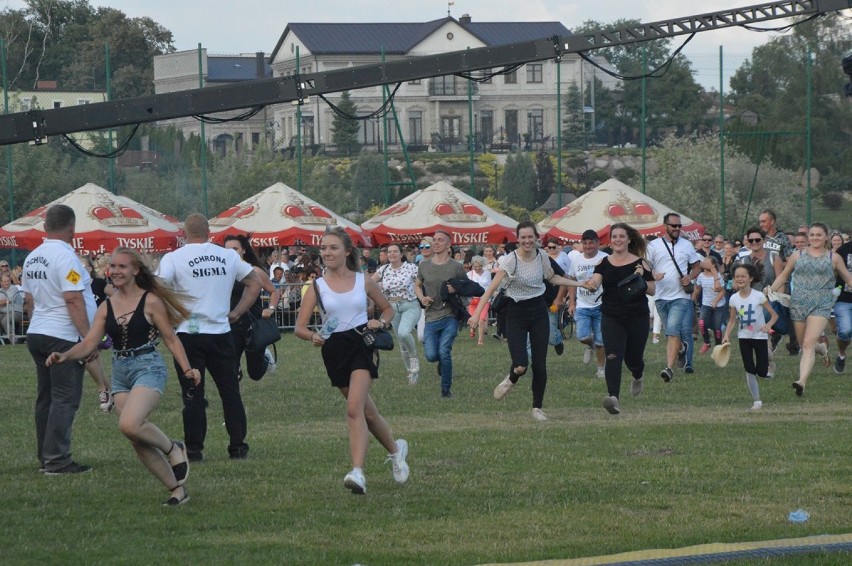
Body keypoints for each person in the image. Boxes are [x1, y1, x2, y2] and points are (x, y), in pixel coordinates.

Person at [46, 247, 202, 505]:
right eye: (113, 266)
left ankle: (174, 448)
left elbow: (171, 339)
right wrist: (65, 355)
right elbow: (89, 344)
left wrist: (187, 370)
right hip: (120, 373)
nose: (115, 271)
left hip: (148, 367)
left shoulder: (150, 301)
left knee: (129, 424)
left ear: (136, 270)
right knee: (135, 438)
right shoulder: (106, 307)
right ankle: (177, 490)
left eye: (122, 266)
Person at [295, 226, 409, 495]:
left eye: (332, 247)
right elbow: (299, 327)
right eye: (323, 248)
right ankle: (396, 450)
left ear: (347, 251)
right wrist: (312, 337)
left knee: (353, 409)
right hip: (334, 349)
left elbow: (389, 309)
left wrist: (380, 322)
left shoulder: (363, 280)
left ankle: (357, 472)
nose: (326, 252)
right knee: (367, 412)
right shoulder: (317, 286)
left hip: (362, 343)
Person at [157, 213, 261, 461]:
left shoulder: (173, 258)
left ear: (183, 233)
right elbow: (255, 283)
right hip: (221, 332)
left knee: (193, 393)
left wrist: (171, 313)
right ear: (209, 232)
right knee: (230, 392)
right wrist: (236, 312)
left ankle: (194, 450)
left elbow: (156, 287)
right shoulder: (227, 255)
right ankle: (238, 447)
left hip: (188, 334)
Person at [469, 221, 587, 421]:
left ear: (536, 238)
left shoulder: (542, 256)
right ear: (518, 239)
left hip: (538, 311)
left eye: (530, 237)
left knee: (540, 364)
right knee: (521, 364)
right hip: (515, 312)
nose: (527, 240)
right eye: (522, 237)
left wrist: (579, 283)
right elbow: (490, 289)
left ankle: (537, 408)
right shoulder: (510, 260)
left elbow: (553, 278)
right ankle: (513, 377)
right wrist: (476, 314)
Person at [21, 204, 95, 474]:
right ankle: (57, 459)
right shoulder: (67, 258)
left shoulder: (33, 258)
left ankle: (45, 456)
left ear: (45, 226)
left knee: (46, 398)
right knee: (65, 398)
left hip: (38, 331)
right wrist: (88, 339)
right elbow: (73, 299)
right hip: (62, 335)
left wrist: (37, 323)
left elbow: (29, 300)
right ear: (72, 228)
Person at [769, 222, 852, 396]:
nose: (815, 238)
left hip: (822, 303)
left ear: (826, 237)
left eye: (819, 235)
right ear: (808, 237)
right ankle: (822, 349)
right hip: (798, 303)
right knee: (804, 343)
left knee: (807, 344)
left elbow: (848, 278)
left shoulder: (833, 258)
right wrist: (770, 291)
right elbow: (784, 275)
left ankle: (801, 382)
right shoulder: (797, 255)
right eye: (812, 234)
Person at [584, 223, 655, 414]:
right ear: (610, 240)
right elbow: (596, 279)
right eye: (614, 236)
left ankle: (638, 374)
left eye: (621, 236)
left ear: (629, 239)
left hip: (637, 316)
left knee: (633, 358)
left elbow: (652, 289)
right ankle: (613, 398)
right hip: (611, 315)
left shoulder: (640, 263)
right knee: (613, 355)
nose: (617, 240)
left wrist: (639, 279)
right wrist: (591, 284)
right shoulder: (603, 262)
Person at [646, 212, 703, 381]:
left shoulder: (686, 245)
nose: (678, 229)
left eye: (679, 226)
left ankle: (668, 369)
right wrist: (653, 273)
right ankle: (681, 350)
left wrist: (690, 277)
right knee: (670, 331)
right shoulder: (653, 246)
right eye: (674, 226)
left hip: (681, 296)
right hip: (661, 296)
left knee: (672, 329)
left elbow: (697, 267)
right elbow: (646, 266)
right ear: (665, 227)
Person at [415, 230, 467, 398]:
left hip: (450, 315)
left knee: (444, 351)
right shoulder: (423, 265)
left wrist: (456, 289)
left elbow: (467, 288)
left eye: (439, 240)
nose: (435, 243)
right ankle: (440, 363)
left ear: (448, 245)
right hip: (431, 316)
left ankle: (446, 390)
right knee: (431, 355)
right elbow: (417, 285)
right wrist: (422, 297)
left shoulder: (456, 267)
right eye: (434, 240)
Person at [223, 234, 281, 381]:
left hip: (252, 324)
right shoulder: (221, 271)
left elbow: (274, 291)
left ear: (243, 250)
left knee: (255, 373)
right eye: (227, 249)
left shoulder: (254, 271)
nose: (231, 253)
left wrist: (271, 308)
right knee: (230, 369)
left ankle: (265, 358)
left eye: (235, 249)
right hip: (231, 323)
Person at [722, 263, 778, 411]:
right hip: (744, 337)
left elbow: (774, 315)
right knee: (749, 369)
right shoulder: (733, 299)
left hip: (759, 336)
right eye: (737, 276)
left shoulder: (759, 296)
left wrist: (768, 325)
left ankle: (770, 359)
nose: (739, 279)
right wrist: (726, 335)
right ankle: (757, 401)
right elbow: (733, 320)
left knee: (761, 371)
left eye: (743, 276)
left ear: (750, 278)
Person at [372, 243, 422, 384]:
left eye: (395, 252)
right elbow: (369, 283)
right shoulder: (383, 269)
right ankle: (411, 373)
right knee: (401, 343)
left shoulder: (411, 268)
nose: (392, 254)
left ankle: (414, 359)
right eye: (389, 252)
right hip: (392, 307)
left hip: (410, 305)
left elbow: (421, 282)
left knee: (403, 333)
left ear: (401, 254)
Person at [567, 229, 608, 376]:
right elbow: (571, 281)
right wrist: (572, 303)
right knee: (582, 336)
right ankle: (589, 346)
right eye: (585, 243)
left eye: (591, 243)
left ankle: (601, 370)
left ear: (598, 243)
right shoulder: (576, 260)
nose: (588, 246)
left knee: (601, 341)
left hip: (601, 304)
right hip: (583, 304)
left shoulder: (605, 258)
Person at [80, 254, 113, 413]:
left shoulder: (98, 283)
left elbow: (115, 294)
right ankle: (111, 392)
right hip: (81, 324)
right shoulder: (76, 280)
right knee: (95, 361)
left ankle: (104, 391)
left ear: (89, 268)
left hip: (96, 325)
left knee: (88, 357)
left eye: (83, 264)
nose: (79, 267)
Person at [694, 256, 727, 354]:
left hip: (719, 306)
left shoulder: (718, 277)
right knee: (702, 323)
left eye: (706, 262)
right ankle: (707, 342)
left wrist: (716, 301)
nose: (703, 263)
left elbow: (722, 291)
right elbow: (698, 288)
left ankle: (718, 347)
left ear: (713, 265)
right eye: (703, 261)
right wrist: (693, 298)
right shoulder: (701, 276)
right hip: (706, 304)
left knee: (717, 328)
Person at [465, 256, 492, 346]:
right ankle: (472, 329)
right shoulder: (469, 275)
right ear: (472, 265)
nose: (477, 268)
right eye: (475, 266)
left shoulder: (487, 274)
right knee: (474, 320)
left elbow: (490, 286)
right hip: (473, 300)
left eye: (479, 266)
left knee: (481, 320)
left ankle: (480, 340)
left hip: (485, 300)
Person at [0, 273, 23, 343]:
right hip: (4, 312)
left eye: (8, 281)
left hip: (16, 312)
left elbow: (7, 301)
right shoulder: (1, 290)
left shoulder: (13, 288)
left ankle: (14, 341)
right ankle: (2, 340)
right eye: (5, 281)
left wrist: (2, 302)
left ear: (10, 281)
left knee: (5, 320)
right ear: (1, 282)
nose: (7, 283)